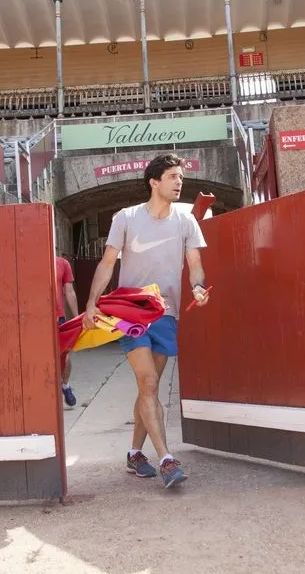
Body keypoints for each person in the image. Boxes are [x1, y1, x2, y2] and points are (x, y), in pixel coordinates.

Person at [83, 153, 210, 488]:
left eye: (180, 177)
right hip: (130, 313)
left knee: (147, 388)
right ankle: (167, 459)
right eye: (172, 177)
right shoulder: (126, 218)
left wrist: (197, 285)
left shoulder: (186, 221)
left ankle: (134, 454)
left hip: (166, 313)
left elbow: (195, 263)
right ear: (154, 182)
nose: (179, 181)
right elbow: (108, 263)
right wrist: (91, 304)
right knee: (149, 384)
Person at [55, 254, 79, 407]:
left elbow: (69, 292)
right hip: (37, 319)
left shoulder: (62, 263)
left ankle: (65, 385)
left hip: (58, 317)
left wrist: (77, 319)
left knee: (65, 355)